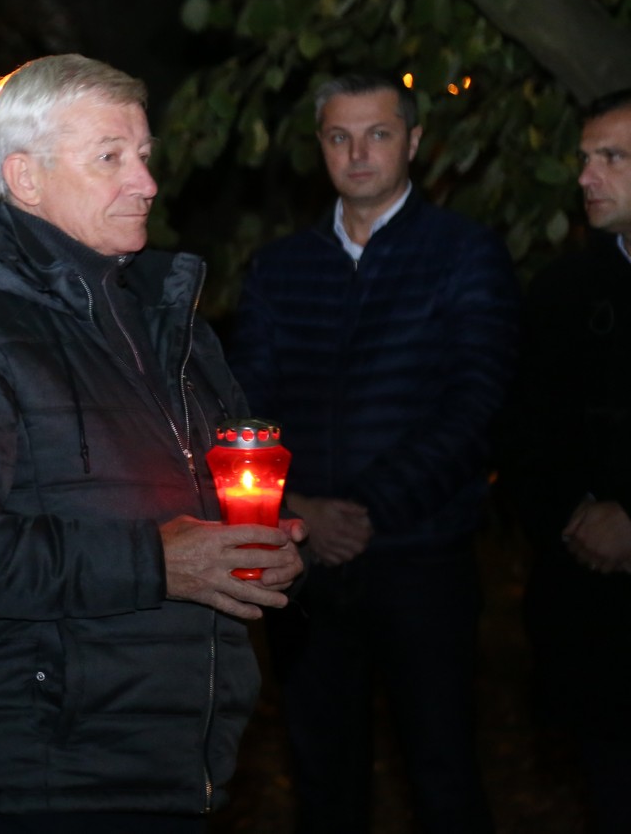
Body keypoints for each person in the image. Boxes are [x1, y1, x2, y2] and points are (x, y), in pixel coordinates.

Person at [0, 54, 306, 832]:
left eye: (143, 155)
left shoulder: (173, 325)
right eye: (110, 157)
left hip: (186, 762)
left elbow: (200, 509)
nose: (145, 181)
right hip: (50, 770)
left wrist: (261, 541)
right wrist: (157, 562)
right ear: (26, 177)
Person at [230, 72, 518, 834]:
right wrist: (295, 509)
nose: (358, 152)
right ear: (318, 145)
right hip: (304, 565)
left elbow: (476, 403)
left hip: (422, 558)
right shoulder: (277, 267)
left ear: (414, 142)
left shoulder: (464, 254)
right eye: (338, 135)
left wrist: (363, 508)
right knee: (322, 782)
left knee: (444, 774)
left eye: (378, 133)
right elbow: (242, 408)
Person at [502, 89, 631, 834]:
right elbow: (525, 436)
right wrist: (576, 516)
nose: (586, 176)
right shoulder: (561, 293)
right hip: (594, 632)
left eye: (611, 157)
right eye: (585, 157)